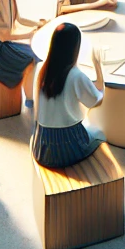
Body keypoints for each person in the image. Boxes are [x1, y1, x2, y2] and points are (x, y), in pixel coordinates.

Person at [32, 23, 106, 169]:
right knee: (99, 133)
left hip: (42, 145)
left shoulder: (42, 69)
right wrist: (98, 65)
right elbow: (96, 99)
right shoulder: (75, 75)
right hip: (67, 145)